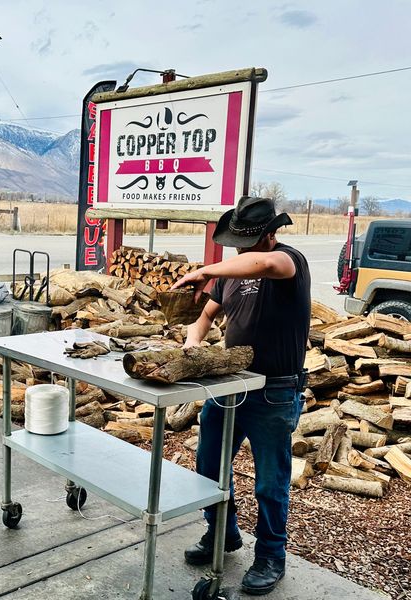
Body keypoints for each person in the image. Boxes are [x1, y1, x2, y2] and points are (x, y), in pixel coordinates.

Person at [171, 196, 310, 596]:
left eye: (245, 244)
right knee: (210, 468)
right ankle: (223, 535)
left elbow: (264, 265)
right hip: (229, 386)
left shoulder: (288, 261)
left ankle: (270, 556)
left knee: (270, 482)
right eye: (235, 244)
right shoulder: (231, 274)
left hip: (274, 392)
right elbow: (204, 317)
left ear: (270, 235)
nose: (239, 251)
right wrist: (193, 342)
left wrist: (205, 269)